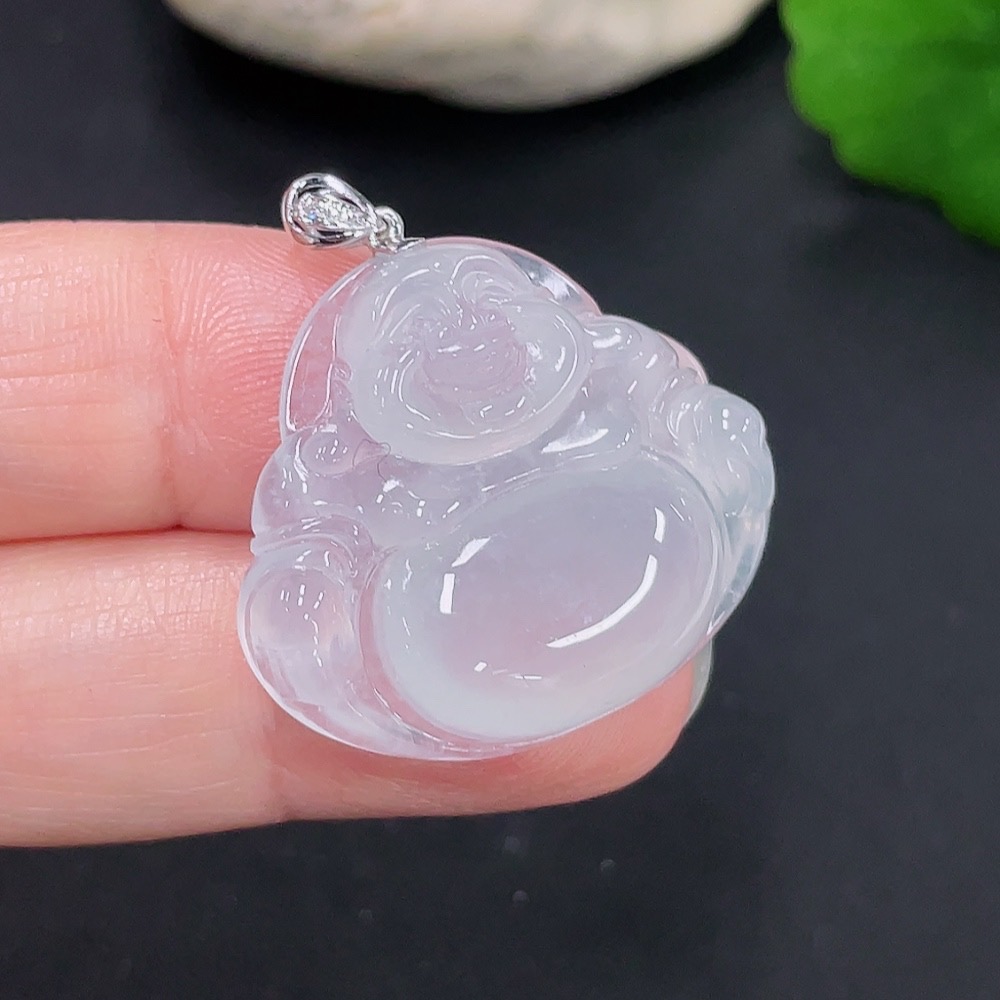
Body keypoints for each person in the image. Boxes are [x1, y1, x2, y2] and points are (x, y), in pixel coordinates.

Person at [0, 221, 696, 847]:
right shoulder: (349, 469)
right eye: (422, 330)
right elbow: (303, 572)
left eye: (487, 304)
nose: (469, 336)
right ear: (371, 378)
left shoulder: (613, 376)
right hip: (456, 637)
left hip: (646, 548)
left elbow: (685, 412)